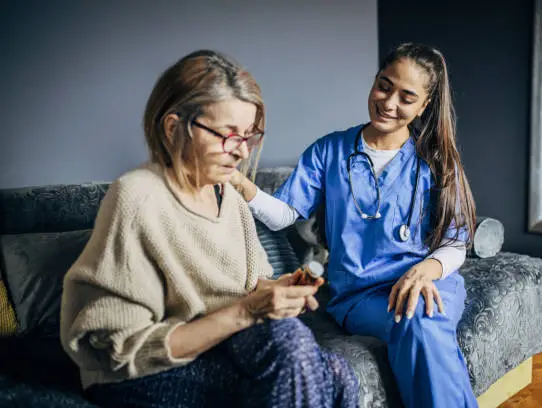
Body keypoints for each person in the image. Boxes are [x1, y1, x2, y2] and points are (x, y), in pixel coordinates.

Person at [60, 50, 359, 408]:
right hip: (140, 371)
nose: (240, 153)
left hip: (217, 343)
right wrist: (249, 311)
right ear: (173, 128)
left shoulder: (227, 196)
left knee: (338, 370)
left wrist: (277, 291)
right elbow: (118, 349)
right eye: (226, 135)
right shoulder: (137, 196)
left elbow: (246, 287)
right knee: (290, 345)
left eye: (248, 137)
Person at [231, 43, 479, 407]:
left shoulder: (437, 160)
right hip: (361, 294)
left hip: (430, 280)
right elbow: (285, 214)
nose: (389, 102)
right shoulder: (328, 151)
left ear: (424, 106)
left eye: (407, 97)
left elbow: (457, 242)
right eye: (384, 85)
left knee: (425, 315)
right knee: (420, 322)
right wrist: (239, 183)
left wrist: (427, 269)